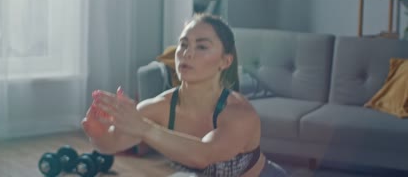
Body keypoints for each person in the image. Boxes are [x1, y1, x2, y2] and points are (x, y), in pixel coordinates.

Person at [81, 13, 288, 177]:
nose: (187, 53)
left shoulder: (240, 113)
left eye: (202, 46)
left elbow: (204, 155)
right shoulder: (159, 107)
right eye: (184, 44)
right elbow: (112, 143)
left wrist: (144, 128)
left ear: (225, 61)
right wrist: (96, 132)